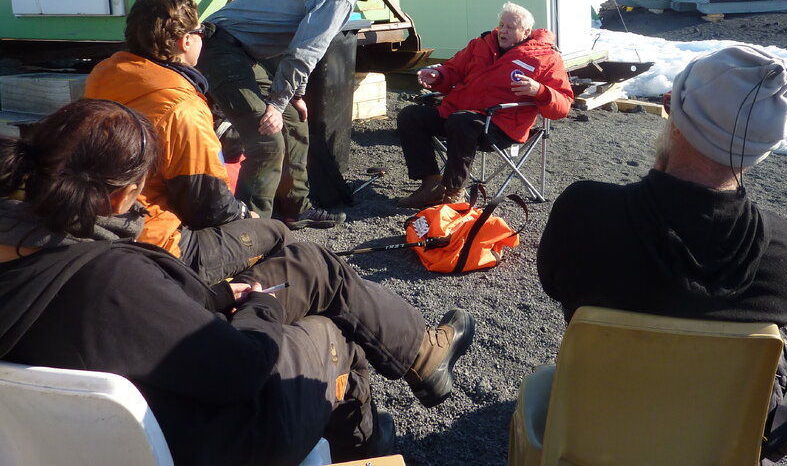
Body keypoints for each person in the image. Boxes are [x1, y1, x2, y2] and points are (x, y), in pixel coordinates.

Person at [0, 99, 475, 466]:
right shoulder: (108, 278)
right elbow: (243, 370)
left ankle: (409, 372)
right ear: (120, 193)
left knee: (308, 263)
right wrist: (261, 307)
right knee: (332, 333)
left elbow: (140, 326)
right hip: (217, 440)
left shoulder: (31, 255)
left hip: (90, 434)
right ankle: (367, 445)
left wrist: (219, 297)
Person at [537, 45, 787, 461]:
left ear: (674, 115)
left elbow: (555, 285)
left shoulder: (584, 208)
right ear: (764, 147)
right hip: (714, 446)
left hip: (595, 436)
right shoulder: (781, 244)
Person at [84, 0, 289, 284]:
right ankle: (229, 301)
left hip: (99, 223)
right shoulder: (182, 108)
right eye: (202, 32)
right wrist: (247, 215)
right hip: (152, 242)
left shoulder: (103, 76)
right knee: (273, 232)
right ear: (186, 41)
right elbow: (207, 205)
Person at [198, 0, 386, 229]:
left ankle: (296, 208)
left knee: (294, 121)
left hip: (244, 53)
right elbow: (304, 52)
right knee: (266, 138)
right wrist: (274, 103)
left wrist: (293, 96)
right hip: (221, 50)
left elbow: (300, 47)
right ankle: (247, 227)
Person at [397, 2, 573, 207]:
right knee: (411, 116)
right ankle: (431, 185)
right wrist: (438, 75)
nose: (502, 31)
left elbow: (563, 105)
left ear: (526, 32)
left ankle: (454, 192)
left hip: (502, 125)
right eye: (501, 25)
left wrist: (540, 91)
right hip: (458, 114)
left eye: (510, 27)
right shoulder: (481, 44)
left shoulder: (546, 58)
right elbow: (453, 69)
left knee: (462, 121)